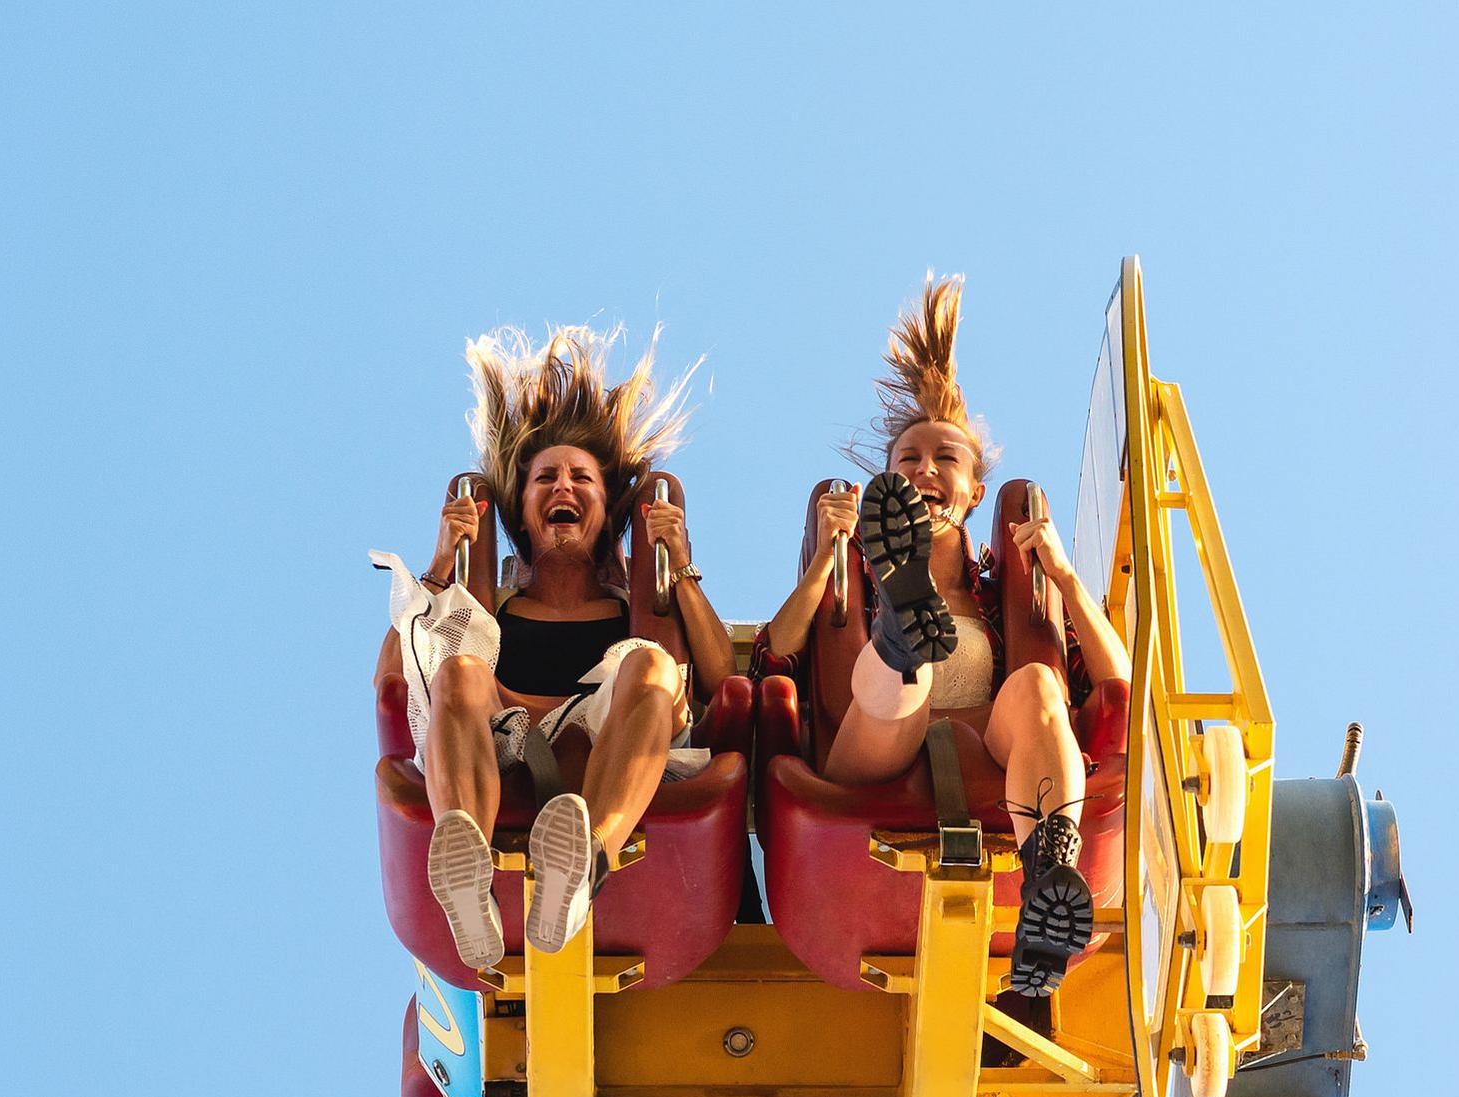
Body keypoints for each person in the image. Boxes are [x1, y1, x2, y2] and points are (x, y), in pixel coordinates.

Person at [751, 277, 1129, 1000]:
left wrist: (1065, 576)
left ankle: (1051, 874)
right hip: (875, 754)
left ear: (974, 491)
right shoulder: (848, 578)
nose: (925, 469)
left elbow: (1115, 688)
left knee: (1040, 686)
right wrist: (830, 560)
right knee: (909, 675)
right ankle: (903, 630)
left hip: (992, 748)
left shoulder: (1007, 594)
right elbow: (777, 657)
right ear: (888, 485)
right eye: (909, 461)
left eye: (944, 460)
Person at [372, 324, 732, 969]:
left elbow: (719, 673)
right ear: (522, 507)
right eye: (546, 479)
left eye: (580, 478)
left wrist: (680, 565)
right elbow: (395, 681)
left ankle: (586, 860)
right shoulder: (489, 609)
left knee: (649, 662)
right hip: (501, 735)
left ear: (604, 504)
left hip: (605, 731)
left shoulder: (637, 608)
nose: (563, 488)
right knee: (456, 665)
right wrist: (438, 565)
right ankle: (468, 874)